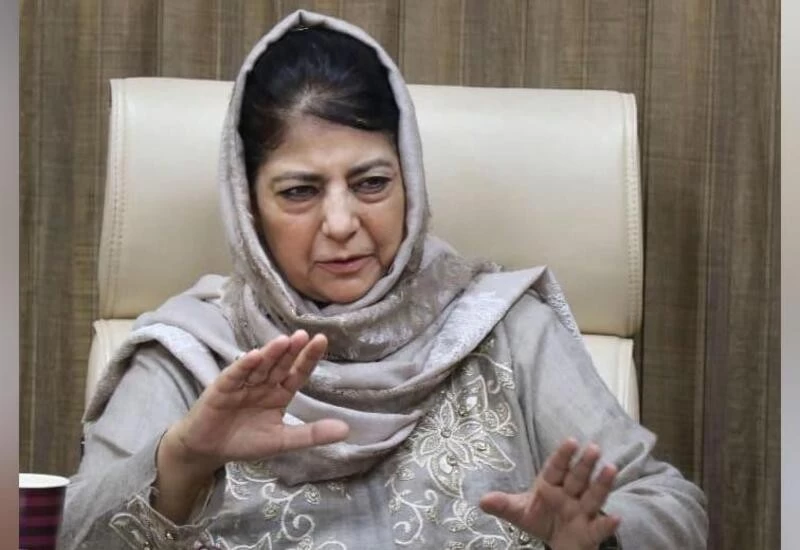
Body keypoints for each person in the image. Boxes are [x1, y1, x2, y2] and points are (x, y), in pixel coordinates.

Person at [59, 10, 707, 550]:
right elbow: (73, 537)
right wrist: (182, 461)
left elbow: (668, 504)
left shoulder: (502, 326)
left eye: (371, 183)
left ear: (411, 182)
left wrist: (597, 540)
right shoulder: (191, 354)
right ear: (247, 206)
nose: (342, 223)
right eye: (299, 191)